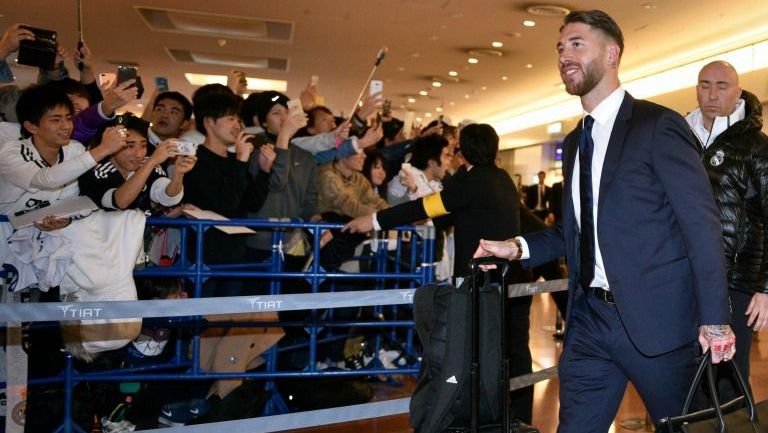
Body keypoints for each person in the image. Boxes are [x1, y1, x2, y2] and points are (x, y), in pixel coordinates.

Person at [473, 10, 734, 431]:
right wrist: (517, 247)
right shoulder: (577, 141)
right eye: (560, 47)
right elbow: (572, 231)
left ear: (612, 54)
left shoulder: (657, 125)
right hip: (590, 321)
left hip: (659, 327)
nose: (564, 55)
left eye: (577, 43)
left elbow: (701, 226)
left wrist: (714, 318)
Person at [344, 124, 534, 423]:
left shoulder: (466, 182)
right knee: (516, 357)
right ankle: (520, 421)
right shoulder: (504, 180)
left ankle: (477, 420)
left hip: (481, 288)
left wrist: (375, 220)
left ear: (462, 153)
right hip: (514, 283)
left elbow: (423, 207)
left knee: (475, 358)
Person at [685, 60, 768, 400]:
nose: (712, 93)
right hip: (684, 277)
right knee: (689, 373)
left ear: (738, 93)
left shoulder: (756, 145)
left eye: (722, 86)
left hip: (735, 282)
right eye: (705, 85)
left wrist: (765, 287)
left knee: (729, 378)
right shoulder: (681, 139)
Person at [78, 115, 196, 213]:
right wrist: (151, 162)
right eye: (130, 146)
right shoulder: (96, 172)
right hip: (93, 240)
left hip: (134, 240)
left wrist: (178, 174)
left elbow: (167, 197)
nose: (138, 154)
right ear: (112, 145)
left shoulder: (148, 166)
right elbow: (120, 201)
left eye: (143, 145)